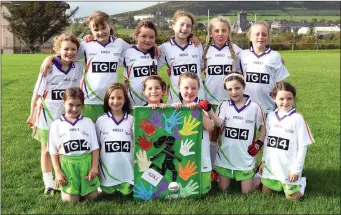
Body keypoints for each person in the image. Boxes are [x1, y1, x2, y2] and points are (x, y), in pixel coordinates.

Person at [39, 11, 130, 121]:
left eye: (103, 27)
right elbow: (68, 56)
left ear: (109, 26)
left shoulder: (120, 43)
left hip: (110, 101)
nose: (100, 32)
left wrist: (153, 45)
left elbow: (137, 52)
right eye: (96, 30)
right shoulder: (86, 45)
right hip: (89, 101)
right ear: (91, 30)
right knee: (88, 134)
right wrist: (49, 58)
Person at [26, 33, 83, 196]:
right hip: (47, 115)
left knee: (63, 148)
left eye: (73, 49)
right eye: (66, 49)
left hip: (67, 117)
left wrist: (49, 57)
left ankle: (62, 179)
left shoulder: (78, 67)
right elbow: (36, 94)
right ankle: (49, 183)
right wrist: (31, 115)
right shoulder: (48, 67)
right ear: (58, 49)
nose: (70, 52)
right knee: (46, 150)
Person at [198, 73, 266, 194]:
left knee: (247, 192)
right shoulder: (224, 105)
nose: (234, 92)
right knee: (222, 189)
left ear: (243, 87)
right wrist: (209, 110)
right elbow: (219, 123)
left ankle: (256, 175)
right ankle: (225, 172)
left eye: (237, 88)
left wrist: (259, 143)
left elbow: (263, 127)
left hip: (245, 156)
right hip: (226, 156)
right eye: (229, 89)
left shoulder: (255, 107)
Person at [258, 82, 313, 200]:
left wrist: (296, 170)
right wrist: (263, 161)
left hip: (288, 168)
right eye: (281, 98)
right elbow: (268, 142)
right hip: (272, 166)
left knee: (291, 198)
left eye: (289, 98)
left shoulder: (297, 119)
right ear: (274, 98)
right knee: (265, 194)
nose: (285, 102)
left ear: (294, 99)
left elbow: (303, 147)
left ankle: (302, 182)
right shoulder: (271, 116)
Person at [201, 15, 243, 170]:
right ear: (211, 33)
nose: (220, 33)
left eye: (224, 30)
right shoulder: (204, 51)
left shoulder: (237, 51)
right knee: (211, 135)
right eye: (216, 30)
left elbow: (251, 59)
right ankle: (212, 169)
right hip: (210, 100)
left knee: (228, 136)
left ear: (228, 33)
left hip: (229, 101)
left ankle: (232, 166)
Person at [48, 87, 100, 203]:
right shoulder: (56, 125)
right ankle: (69, 191)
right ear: (64, 103)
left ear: (82, 105)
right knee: (71, 201)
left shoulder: (88, 122)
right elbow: (53, 151)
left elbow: (95, 147)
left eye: (78, 105)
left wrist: (94, 167)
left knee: (93, 198)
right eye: (70, 105)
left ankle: (88, 189)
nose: (74, 109)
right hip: (68, 165)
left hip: (85, 164)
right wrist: (57, 172)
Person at [173, 72, 215, 195]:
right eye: (186, 88)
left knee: (202, 193)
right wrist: (172, 110)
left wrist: (198, 111)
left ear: (198, 89)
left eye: (193, 88)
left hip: (202, 159)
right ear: (179, 88)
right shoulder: (176, 107)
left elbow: (210, 127)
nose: (189, 91)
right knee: (181, 191)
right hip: (183, 157)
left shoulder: (203, 107)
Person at [239, 21, 290, 115]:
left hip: (269, 107)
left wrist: (281, 102)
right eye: (257, 34)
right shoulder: (242, 55)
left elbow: (280, 84)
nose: (260, 37)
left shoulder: (275, 56)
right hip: (246, 107)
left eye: (264, 34)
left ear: (268, 38)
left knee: (267, 130)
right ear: (250, 37)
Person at [95, 83, 134, 197]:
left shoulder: (132, 120)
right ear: (107, 99)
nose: (115, 101)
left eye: (119, 98)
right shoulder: (101, 121)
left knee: (127, 193)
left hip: (127, 171)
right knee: (107, 194)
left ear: (125, 100)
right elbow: (96, 146)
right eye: (112, 98)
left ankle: (126, 181)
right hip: (108, 172)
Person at [158, 10, 205, 104]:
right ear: (173, 25)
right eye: (181, 24)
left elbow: (202, 67)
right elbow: (153, 67)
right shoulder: (164, 48)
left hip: (198, 98)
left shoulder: (197, 45)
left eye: (188, 26)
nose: (185, 28)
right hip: (175, 100)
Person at [122, 21, 159, 106]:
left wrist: (191, 37)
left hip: (153, 103)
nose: (148, 40)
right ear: (136, 36)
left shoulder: (158, 53)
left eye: (151, 37)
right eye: (144, 36)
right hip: (132, 104)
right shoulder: (127, 52)